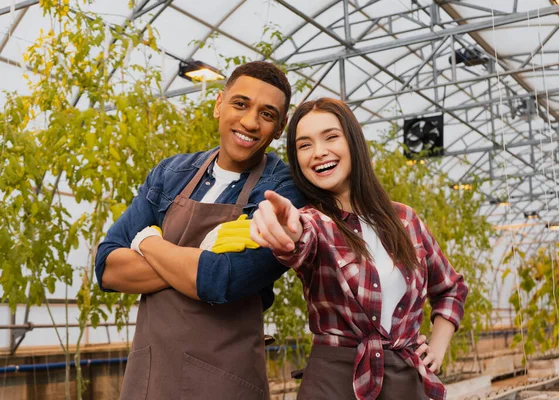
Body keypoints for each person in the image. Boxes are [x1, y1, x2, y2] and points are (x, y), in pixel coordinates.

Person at [94, 61, 304, 400]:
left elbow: (221, 279)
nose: (250, 122)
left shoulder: (282, 189)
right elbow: (107, 268)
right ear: (219, 104)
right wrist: (197, 258)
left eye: (267, 115)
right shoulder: (170, 173)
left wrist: (146, 240)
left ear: (280, 128)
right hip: (150, 376)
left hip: (225, 380)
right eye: (240, 104)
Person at [249, 98, 468, 400]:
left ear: (353, 141)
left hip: (406, 382)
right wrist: (289, 227)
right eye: (304, 145)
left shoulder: (404, 220)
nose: (319, 152)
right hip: (333, 383)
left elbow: (451, 288)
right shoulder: (316, 222)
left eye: (330, 137)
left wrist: (438, 349)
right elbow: (300, 242)